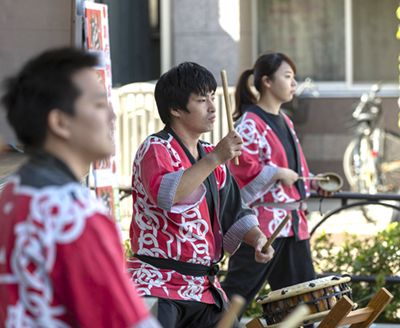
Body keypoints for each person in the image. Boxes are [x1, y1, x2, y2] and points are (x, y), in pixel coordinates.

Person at [0, 48, 160, 328]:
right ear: (60, 122)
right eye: (99, 104)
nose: (112, 113)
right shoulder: (74, 214)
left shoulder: (11, 195)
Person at [126, 62, 274, 328]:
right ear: (175, 109)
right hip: (157, 283)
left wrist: (259, 239)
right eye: (202, 100)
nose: (213, 107)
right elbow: (166, 195)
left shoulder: (209, 155)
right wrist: (216, 158)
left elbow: (235, 210)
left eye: (213, 98)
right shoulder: (156, 147)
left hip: (203, 288)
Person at [221, 51, 335, 319]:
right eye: (287, 76)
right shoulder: (249, 123)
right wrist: (276, 172)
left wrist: (316, 184)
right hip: (263, 226)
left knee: (301, 301)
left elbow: (295, 169)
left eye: (293, 77)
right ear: (267, 82)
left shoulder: (285, 120)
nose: (294, 83)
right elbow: (239, 171)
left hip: (292, 224)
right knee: (238, 292)